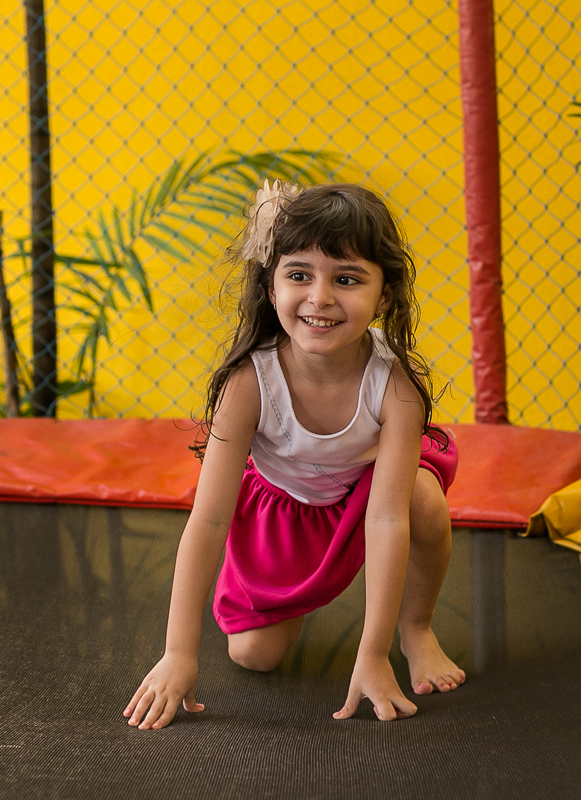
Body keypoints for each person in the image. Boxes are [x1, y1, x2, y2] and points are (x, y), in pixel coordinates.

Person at [123, 181, 465, 731]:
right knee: (253, 656)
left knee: (422, 500)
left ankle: (416, 628)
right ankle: (300, 590)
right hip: (283, 514)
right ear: (271, 284)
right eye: (299, 275)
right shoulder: (248, 383)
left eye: (347, 279)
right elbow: (208, 521)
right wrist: (179, 653)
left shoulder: (393, 384)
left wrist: (372, 653)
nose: (320, 297)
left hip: (363, 497)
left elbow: (385, 518)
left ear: (384, 297)